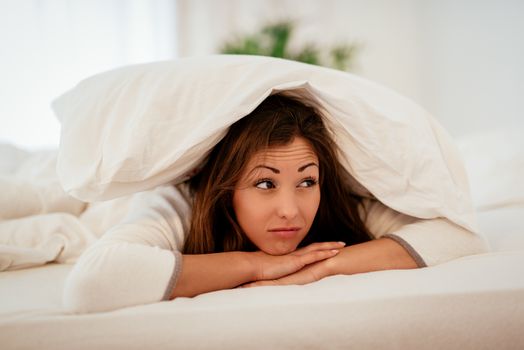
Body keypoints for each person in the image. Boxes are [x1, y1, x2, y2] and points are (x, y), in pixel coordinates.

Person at [63, 94, 487, 312]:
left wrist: (318, 267)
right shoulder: (180, 204)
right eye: (265, 183)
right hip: (91, 208)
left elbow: (460, 236)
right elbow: (93, 282)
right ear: (227, 187)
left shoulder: (339, 207)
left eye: (306, 181)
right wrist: (258, 265)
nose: (291, 209)